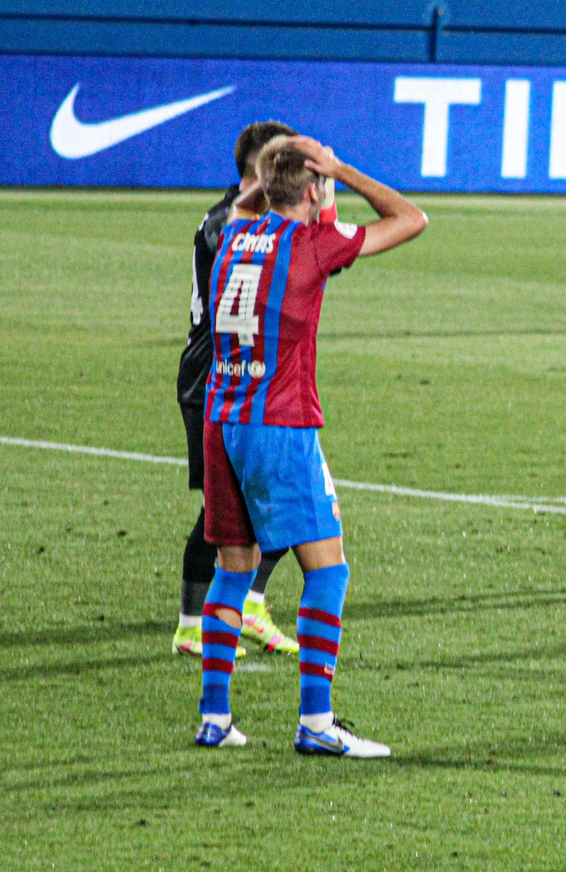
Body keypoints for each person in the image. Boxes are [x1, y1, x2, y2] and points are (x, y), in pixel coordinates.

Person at [196, 136, 427, 756]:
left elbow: (255, 207)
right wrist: (343, 169)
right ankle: (317, 723)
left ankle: (214, 716)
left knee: (233, 570)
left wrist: (282, 177)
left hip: (224, 420)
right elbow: (411, 219)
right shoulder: (314, 245)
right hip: (280, 424)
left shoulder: (232, 235)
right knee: (328, 568)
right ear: (315, 185)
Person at [172, 121, 306, 659]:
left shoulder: (274, 221)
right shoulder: (223, 217)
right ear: (259, 169)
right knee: (223, 508)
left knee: (269, 498)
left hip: (255, 375)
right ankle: (190, 624)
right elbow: (218, 238)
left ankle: (247, 605)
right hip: (212, 375)